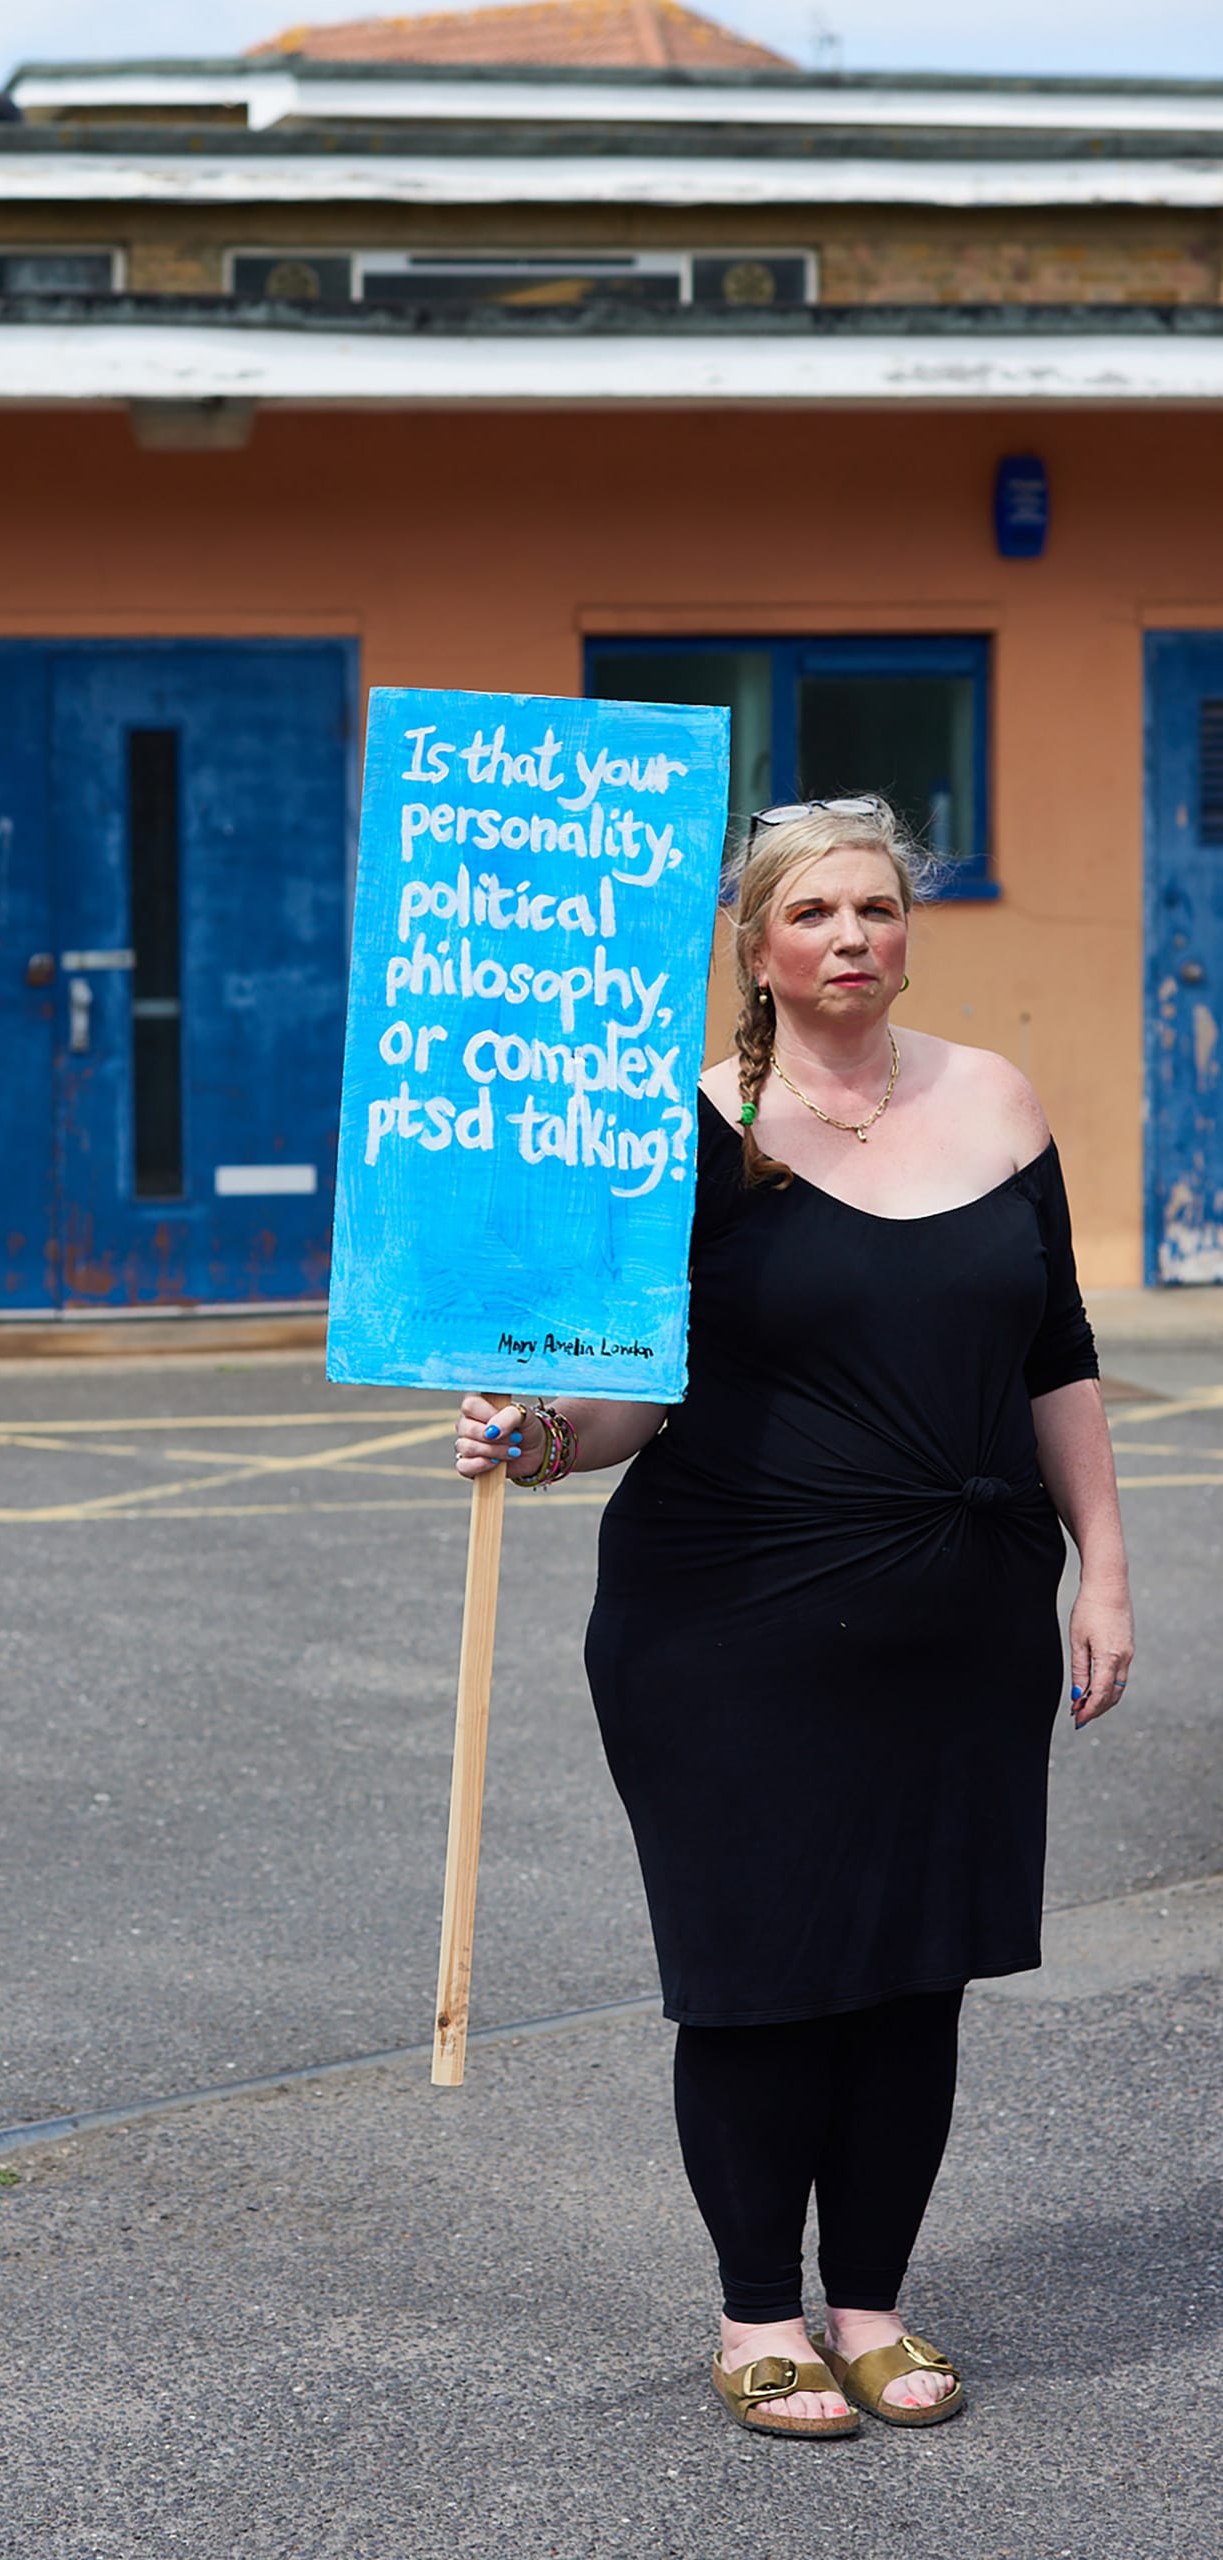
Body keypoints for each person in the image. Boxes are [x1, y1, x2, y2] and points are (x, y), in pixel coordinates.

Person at [455, 796, 1133, 2440]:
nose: (851, 937)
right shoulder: (689, 1128)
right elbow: (627, 1400)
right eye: (814, 912)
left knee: (916, 1977)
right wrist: (536, 1438)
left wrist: (1100, 1566)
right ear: (753, 946)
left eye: (878, 908)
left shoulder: (998, 1100)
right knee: (761, 1976)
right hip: (728, 1620)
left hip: (962, 1615)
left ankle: (874, 2306)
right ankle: (759, 2311)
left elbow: (1053, 1351)